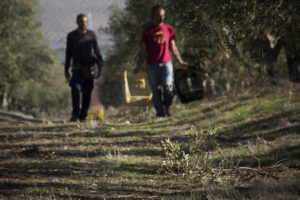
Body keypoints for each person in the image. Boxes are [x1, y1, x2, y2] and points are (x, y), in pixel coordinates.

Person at [134, 5, 188, 117]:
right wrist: (138, 66)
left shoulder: (168, 29)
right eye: (159, 16)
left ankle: (168, 107)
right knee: (156, 91)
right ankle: (160, 112)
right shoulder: (147, 31)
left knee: (168, 88)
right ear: (153, 16)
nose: (161, 18)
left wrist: (180, 61)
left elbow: (173, 47)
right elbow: (143, 50)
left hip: (166, 64)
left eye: (163, 15)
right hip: (152, 65)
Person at [65, 13, 103, 122]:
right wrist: (66, 69)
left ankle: (83, 116)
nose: (84, 23)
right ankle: (75, 114)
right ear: (77, 22)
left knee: (87, 93)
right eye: (81, 21)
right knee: (75, 89)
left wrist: (99, 67)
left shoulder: (91, 35)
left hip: (89, 69)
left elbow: (98, 52)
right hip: (76, 68)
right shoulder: (71, 36)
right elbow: (68, 53)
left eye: (86, 21)